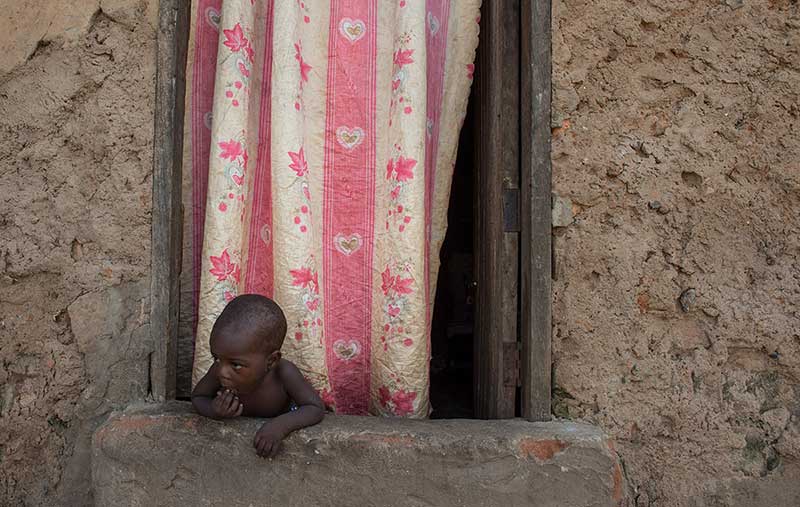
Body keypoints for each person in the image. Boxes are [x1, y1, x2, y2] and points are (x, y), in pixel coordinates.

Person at [191, 294, 325, 458]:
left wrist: (280, 426)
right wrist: (214, 410)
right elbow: (198, 397)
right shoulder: (221, 366)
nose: (222, 372)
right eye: (216, 358)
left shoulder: (283, 373)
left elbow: (315, 408)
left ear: (271, 361)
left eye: (236, 365)